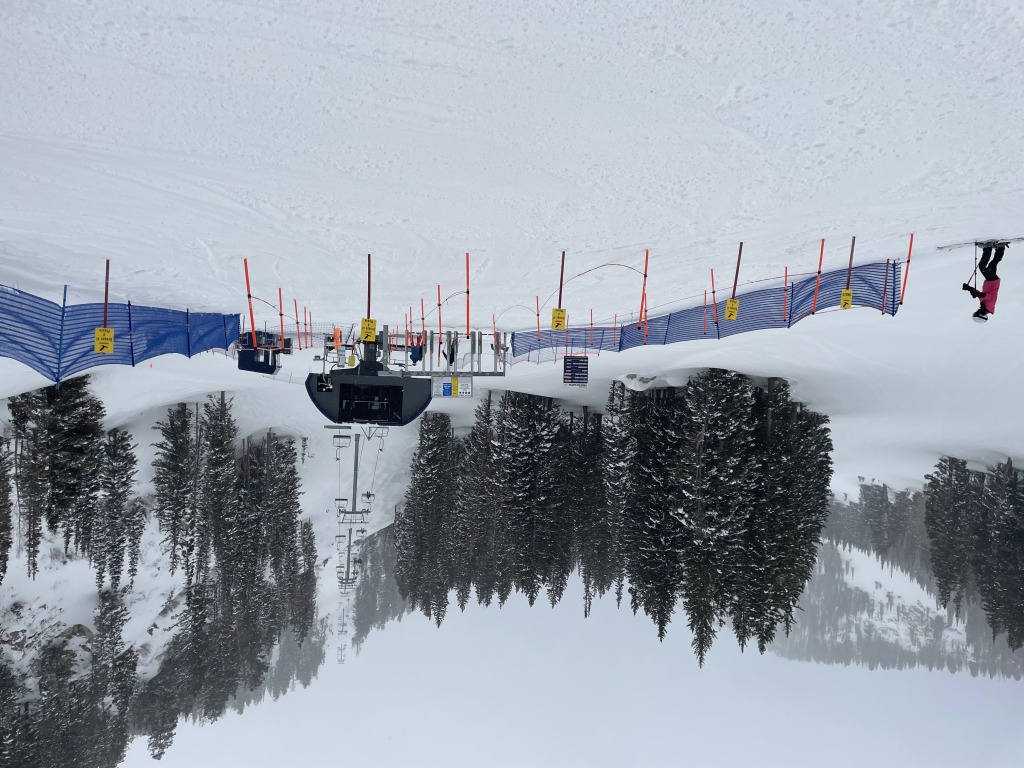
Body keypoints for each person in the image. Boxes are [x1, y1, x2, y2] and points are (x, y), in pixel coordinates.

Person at [962, 241, 1007, 322]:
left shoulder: (984, 306)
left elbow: (980, 296)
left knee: (993, 264)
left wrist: (969, 289)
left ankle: (1001, 247)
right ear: (980, 315)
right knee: (982, 267)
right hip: (992, 281)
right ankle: (988, 247)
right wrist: (979, 294)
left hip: (991, 282)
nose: (977, 311)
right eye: (976, 313)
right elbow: (988, 296)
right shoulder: (989, 307)